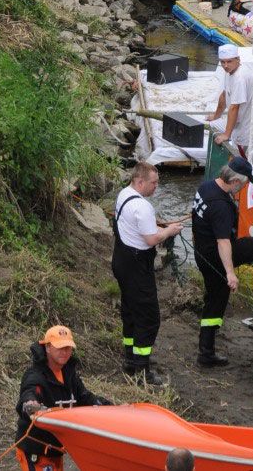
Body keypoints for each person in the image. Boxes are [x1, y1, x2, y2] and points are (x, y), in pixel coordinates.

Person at [191, 156, 253, 366]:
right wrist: (230, 273)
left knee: (215, 302)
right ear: (234, 181)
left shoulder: (206, 187)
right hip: (217, 256)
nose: (244, 188)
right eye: (244, 184)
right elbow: (223, 242)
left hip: (202, 254)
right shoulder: (221, 206)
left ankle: (206, 353)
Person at [111, 160, 183, 383]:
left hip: (121, 261)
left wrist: (158, 225)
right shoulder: (143, 206)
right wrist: (169, 230)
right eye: (154, 183)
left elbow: (137, 225)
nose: (156, 186)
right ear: (140, 181)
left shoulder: (124, 194)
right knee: (149, 317)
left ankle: (130, 359)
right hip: (136, 267)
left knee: (130, 311)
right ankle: (142, 370)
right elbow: (152, 239)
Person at [17, 325, 106, 470]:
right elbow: (30, 391)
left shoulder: (69, 374)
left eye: (68, 348)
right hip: (36, 450)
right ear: (47, 347)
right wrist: (30, 403)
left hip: (56, 449)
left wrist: (109, 406)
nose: (65, 352)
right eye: (60, 347)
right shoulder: (35, 375)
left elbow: (84, 397)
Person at [208, 44, 253, 156]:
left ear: (238, 59)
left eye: (229, 61)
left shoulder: (240, 78)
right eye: (223, 62)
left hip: (247, 127)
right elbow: (224, 95)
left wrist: (227, 134)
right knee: (213, 124)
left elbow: (234, 107)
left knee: (242, 159)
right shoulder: (229, 71)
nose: (225, 65)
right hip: (238, 122)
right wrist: (216, 116)